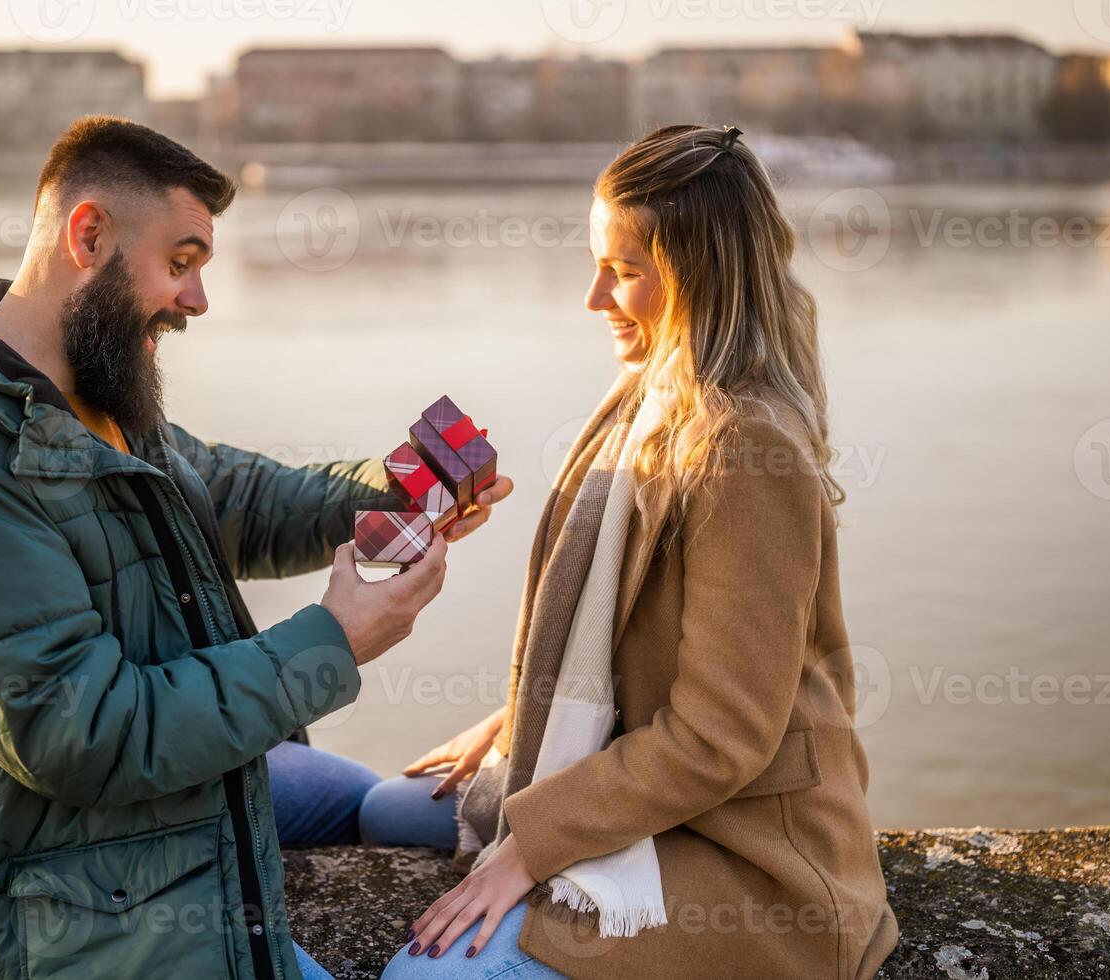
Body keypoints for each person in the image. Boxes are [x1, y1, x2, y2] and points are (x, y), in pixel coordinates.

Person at [0, 115, 512, 979]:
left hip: (137, 835)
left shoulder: (92, 398)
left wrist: (398, 490)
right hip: (73, 914)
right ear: (89, 236)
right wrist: (332, 642)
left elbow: (237, 498)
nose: (197, 301)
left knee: (382, 805)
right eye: (182, 263)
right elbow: (82, 733)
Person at [363, 125, 899, 979]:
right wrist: (521, 720)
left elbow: (721, 737)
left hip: (748, 849)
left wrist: (530, 845)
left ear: (700, 278)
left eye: (623, 271)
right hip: (659, 783)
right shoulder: (646, 395)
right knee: (386, 810)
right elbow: (624, 632)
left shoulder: (744, 451)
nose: (592, 298)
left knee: (426, 973)